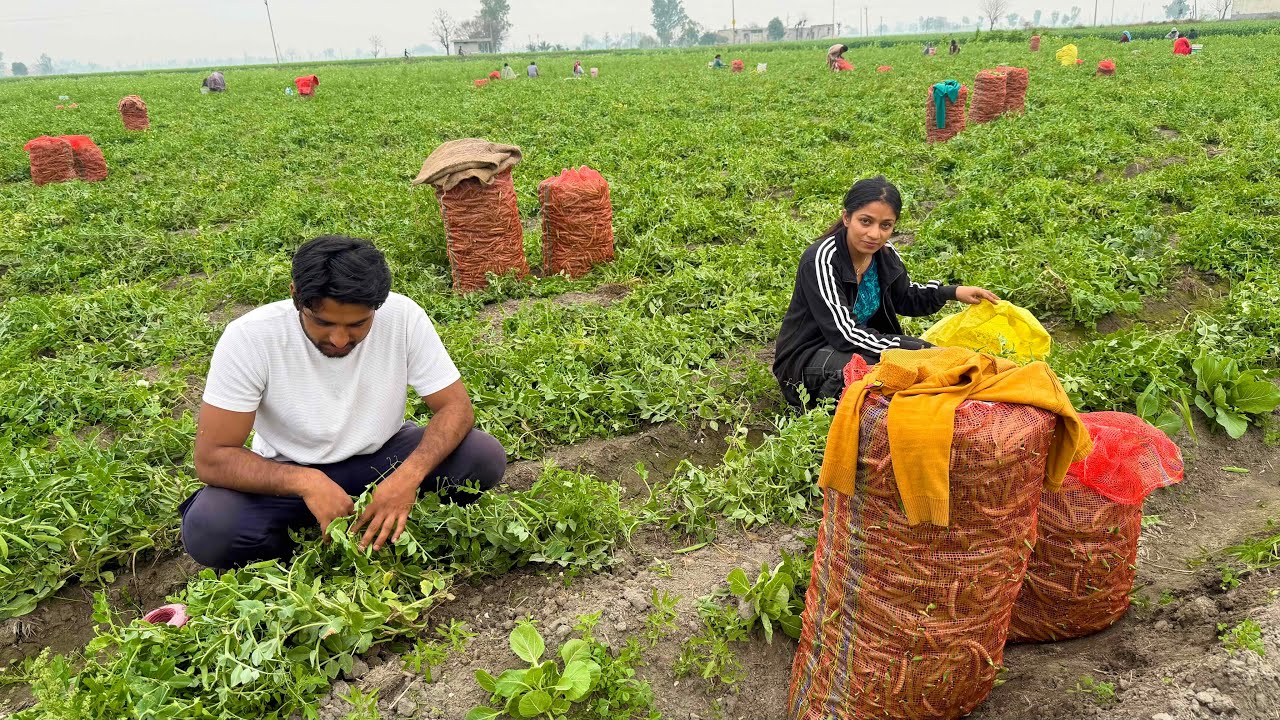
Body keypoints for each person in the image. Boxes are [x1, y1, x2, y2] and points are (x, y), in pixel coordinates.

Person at [180, 236, 506, 569]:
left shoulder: (403, 317)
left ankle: (386, 510)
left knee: (481, 456)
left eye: (357, 325)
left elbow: (456, 407)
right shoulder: (251, 338)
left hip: (381, 458)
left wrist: (408, 477)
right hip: (287, 472)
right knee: (211, 528)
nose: (339, 339)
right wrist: (305, 482)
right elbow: (213, 457)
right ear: (296, 296)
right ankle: (300, 542)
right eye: (323, 322)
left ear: (377, 306)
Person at [772, 177, 1000, 408]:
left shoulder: (884, 253)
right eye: (865, 221)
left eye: (885, 225)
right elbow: (845, 334)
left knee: (909, 370)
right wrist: (914, 348)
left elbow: (906, 297)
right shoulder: (821, 259)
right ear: (847, 218)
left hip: (860, 346)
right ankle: (824, 411)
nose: (874, 234)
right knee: (876, 371)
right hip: (807, 359)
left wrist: (953, 292)